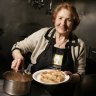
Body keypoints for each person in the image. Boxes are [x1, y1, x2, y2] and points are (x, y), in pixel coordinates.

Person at [11, 2, 86, 96]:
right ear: (54, 19)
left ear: (73, 23)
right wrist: (18, 57)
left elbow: (80, 74)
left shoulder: (79, 45)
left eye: (68, 20)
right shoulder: (43, 34)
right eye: (60, 18)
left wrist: (71, 77)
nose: (63, 23)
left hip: (63, 92)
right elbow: (18, 47)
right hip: (36, 89)